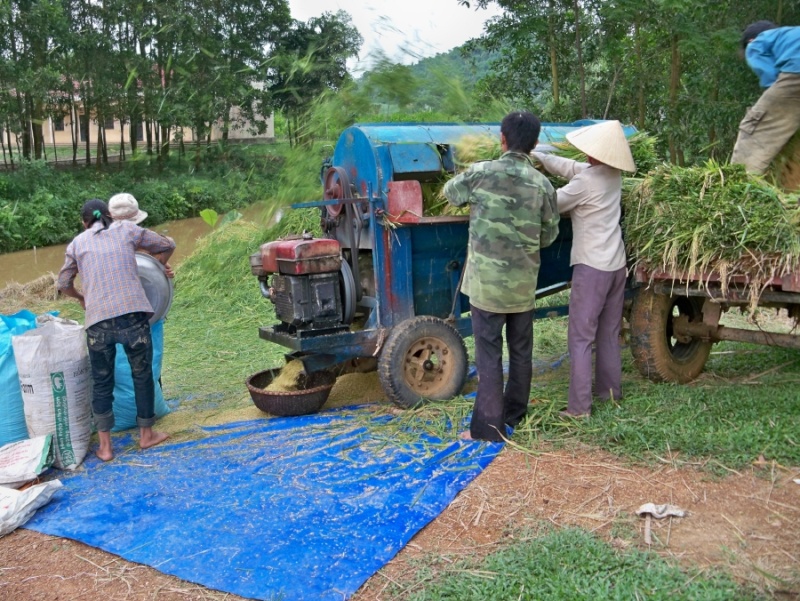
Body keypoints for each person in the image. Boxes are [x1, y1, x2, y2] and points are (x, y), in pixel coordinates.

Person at [444, 111, 560, 441]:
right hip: (523, 288)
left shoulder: (480, 173)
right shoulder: (543, 184)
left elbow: (451, 194)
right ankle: (515, 415)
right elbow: (550, 235)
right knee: (522, 353)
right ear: (535, 144)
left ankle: (487, 429)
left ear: (502, 139)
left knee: (490, 356)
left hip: (486, 288)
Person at [57, 199, 176, 461]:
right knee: (142, 375)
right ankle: (146, 436)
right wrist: (158, 263)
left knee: (102, 382)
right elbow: (167, 244)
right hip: (133, 317)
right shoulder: (127, 230)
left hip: (98, 322)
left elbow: (63, 282)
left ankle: (106, 448)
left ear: (84, 222)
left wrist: (79, 296)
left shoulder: (77, 243)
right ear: (110, 215)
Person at [532, 120, 635, 418]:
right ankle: (610, 393)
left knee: (580, 337)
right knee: (608, 332)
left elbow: (551, 204)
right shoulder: (611, 174)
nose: (584, 155)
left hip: (592, 268)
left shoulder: (586, 183)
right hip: (617, 266)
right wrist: (543, 157)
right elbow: (573, 167)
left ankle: (578, 408)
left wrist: (527, 183)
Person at [730, 21, 800, 175]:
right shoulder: (792, 34)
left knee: (756, 127)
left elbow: (771, 78)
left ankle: (740, 183)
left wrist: (773, 89)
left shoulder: (759, 41)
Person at [109, 192, 174, 277]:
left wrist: (162, 268)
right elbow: (170, 244)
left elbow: (166, 267)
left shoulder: (101, 241)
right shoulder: (141, 236)